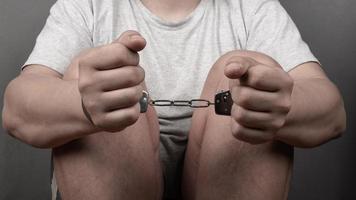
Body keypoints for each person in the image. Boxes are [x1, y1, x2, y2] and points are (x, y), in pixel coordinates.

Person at [2, 0, 346, 199]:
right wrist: (81, 103)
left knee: (251, 74)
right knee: (91, 74)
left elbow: (331, 112)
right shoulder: (89, 5)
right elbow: (17, 109)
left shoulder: (251, 7)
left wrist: (280, 106)